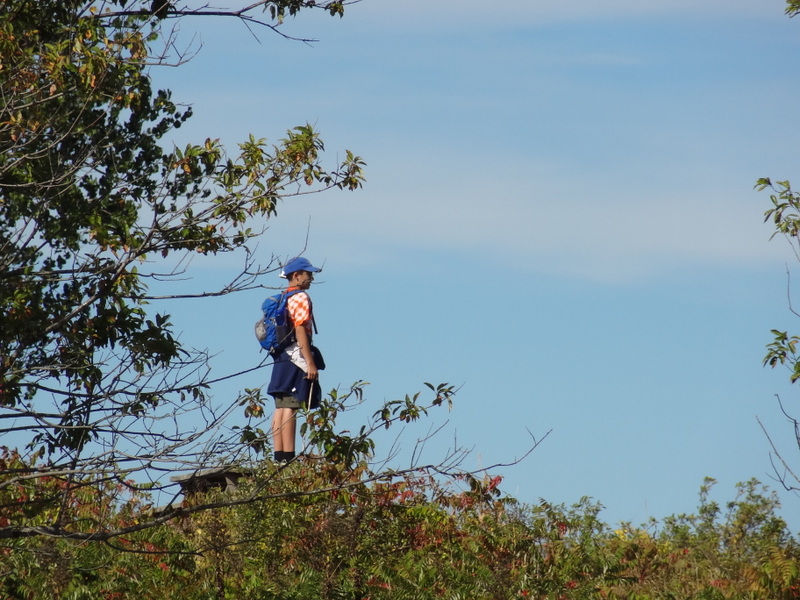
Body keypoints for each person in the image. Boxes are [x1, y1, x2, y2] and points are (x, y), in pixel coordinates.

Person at [266, 256, 324, 464]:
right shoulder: (300, 298)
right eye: (308, 274)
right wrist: (310, 362)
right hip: (295, 356)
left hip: (281, 355)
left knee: (281, 406)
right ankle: (288, 458)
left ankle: (279, 456)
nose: (311, 278)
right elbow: (300, 329)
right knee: (291, 405)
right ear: (296, 275)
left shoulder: (284, 296)